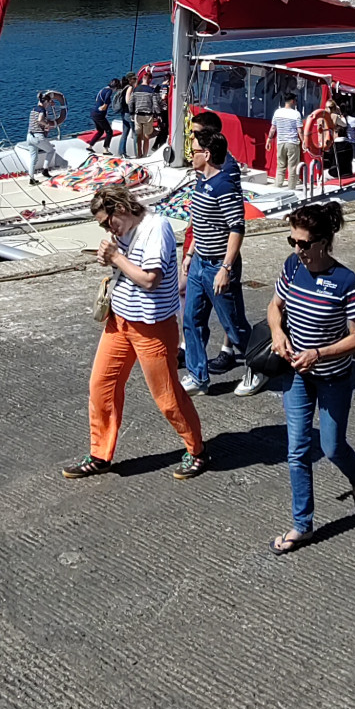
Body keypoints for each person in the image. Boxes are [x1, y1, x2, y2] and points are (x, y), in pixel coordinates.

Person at [61, 184, 207, 480]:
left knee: (167, 397)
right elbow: (126, 268)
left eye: (106, 221)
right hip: (120, 321)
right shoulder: (121, 232)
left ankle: (196, 450)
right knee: (101, 386)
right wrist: (109, 257)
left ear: (122, 209)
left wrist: (115, 257)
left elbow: (150, 279)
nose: (105, 228)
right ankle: (100, 454)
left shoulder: (157, 228)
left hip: (152, 327)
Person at [267, 198, 355, 553]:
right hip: (297, 376)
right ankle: (303, 525)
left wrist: (318, 354)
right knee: (297, 451)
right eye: (292, 242)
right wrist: (278, 334)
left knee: (332, 447)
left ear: (324, 241)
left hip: (333, 377)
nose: (298, 250)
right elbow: (274, 306)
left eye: (304, 244)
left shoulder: (345, 281)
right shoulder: (293, 268)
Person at [181, 133, 266, 397]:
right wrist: (190, 252)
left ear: (206, 155)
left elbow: (236, 227)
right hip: (199, 262)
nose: (189, 155)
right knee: (192, 320)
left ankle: (259, 365)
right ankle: (197, 375)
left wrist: (226, 269)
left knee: (234, 325)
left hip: (218, 265)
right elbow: (200, 221)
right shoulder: (200, 182)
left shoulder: (225, 186)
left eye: (193, 150)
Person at [269, 91, 304, 186]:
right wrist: (304, 141)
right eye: (296, 100)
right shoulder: (296, 114)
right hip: (292, 143)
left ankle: (278, 185)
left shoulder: (277, 112)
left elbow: (273, 128)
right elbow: (299, 131)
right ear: (292, 101)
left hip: (280, 142)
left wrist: (269, 139)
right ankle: (291, 188)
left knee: (280, 166)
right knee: (292, 167)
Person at [127, 75, 163, 158]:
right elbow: (155, 104)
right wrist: (158, 114)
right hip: (148, 116)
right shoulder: (151, 91)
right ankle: (144, 155)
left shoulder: (136, 90)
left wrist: (131, 113)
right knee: (146, 137)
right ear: (150, 80)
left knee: (138, 136)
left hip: (137, 115)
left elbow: (130, 103)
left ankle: (138, 154)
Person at [91, 79, 118, 153]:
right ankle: (105, 149)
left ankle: (90, 145)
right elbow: (106, 100)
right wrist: (104, 107)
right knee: (109, 131)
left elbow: (96, 99)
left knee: (100, 131)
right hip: (100, 114)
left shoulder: (102, 90)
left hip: (94, 113)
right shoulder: (109, 91)